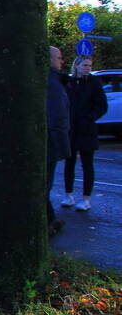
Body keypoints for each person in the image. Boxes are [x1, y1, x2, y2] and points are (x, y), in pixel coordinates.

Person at [61, 55, 108, 211]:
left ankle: (86, 199)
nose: (87, 68)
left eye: (89, 65)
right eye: (85, 65)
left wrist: (90, 118)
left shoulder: (94, 83)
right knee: (69, 163)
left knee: (87, 164)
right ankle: (68, 195)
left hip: (87, 129)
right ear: (77, 66)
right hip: (71, 129)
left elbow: (102, 106)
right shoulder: (70, 83)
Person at [46, 46, 70, 235]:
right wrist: (63, 147)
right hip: (50, 142)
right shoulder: (53, 84)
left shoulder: (50, 81)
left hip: (48, 140)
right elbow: (57, 117)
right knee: (45, 184)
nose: (61, 61)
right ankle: (46, 222)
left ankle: (50, 218)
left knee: (44, 184)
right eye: (59, 57)